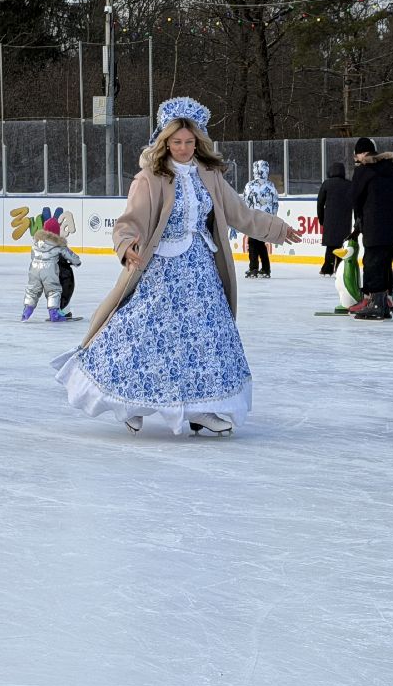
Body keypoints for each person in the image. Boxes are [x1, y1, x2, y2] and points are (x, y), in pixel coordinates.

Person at [53, 97, 300, 436]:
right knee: (142, 336)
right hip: (161, 271)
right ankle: (129, 402)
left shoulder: (209, 175)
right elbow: (129, 222)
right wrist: (127, 246)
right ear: (164, 141)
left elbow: (241, 214)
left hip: (200, 271)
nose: (183, 148)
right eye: (176, 142)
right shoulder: (150, 178)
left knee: (207, 339)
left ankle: (202, 409)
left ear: (198, 141)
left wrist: (278, 229)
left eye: (189, 142)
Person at [349, 136, 393, 320]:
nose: (356, 159)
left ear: (362, 154)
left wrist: (359, 219)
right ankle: (386, 299)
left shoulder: (364, 171)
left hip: (374, 225)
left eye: (356, 155)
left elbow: (355, 198)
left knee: (372, 263)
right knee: (385, 263)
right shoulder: (392, 170)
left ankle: (374, 302)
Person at [22, 217, 81, 322]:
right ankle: (54, 314)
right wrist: (77, 262)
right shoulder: (59, 244)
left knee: (32, 291)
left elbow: (33, 256)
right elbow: (71, 256)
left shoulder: (36, 243)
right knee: (53, 291)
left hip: (34, 269)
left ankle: (26, 312)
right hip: (49, 271)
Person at [241, 159, 280, 278]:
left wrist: (245, 217)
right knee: (261, 243)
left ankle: (253, 268)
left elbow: (245, 202)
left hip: (253, 218)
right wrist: (274, 218)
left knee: (253, 242)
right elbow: (275, 204)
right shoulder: (271, 186)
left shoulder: (250, 185)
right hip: (267, 219)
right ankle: (266, 268)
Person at [315, 161, 355, 276]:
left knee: (330, 245)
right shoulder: (349, 184)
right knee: (342, 245)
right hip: (345, 220)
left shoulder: (327, 184)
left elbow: (320, 203)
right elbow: (354, 202)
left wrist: (321, 219)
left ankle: (327, 268)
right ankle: (340, 268)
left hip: (330, 219)